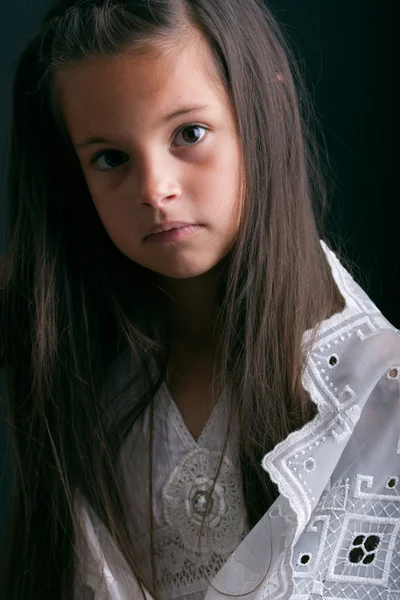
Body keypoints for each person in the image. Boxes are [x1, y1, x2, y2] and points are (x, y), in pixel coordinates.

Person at [0, 0, 399, 599]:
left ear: (262, 107)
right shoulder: (69, 359)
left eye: (189, 133)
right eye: (110, 158)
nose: (155, 190)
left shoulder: (380, 387)